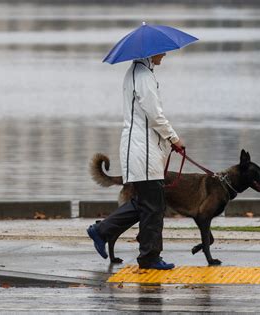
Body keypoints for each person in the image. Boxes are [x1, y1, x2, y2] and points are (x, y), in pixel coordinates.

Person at [87, 52, 184, 270]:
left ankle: (102, 231)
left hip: (139, 149)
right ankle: (149, 257)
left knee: (144, 204)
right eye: (162, 51)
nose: (165, 54)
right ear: (152, 52)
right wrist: (174, 138)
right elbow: (155, 114)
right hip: (144, 151)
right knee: (154, 207)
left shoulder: (137, 72)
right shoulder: (143, 76)